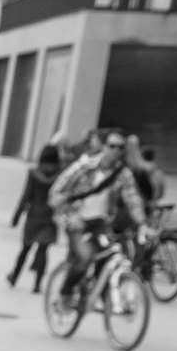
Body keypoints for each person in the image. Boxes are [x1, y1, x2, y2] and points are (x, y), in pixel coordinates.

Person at [48, 128, 146, 303]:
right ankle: (65, 293)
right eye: (112, 146)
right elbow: (55, 193)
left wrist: (142, 223)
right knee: (84, 257)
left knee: (111, 253)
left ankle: (100, 291)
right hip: (76, 220)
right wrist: (70, 215)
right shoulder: (84, 167)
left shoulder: (122, 173)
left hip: (100, 221)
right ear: (103, 147)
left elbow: (133, 199)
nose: (116, 151)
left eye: (120, 147)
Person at [9, 141, 65, 292]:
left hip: (34, 215)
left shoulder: (34, 173)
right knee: (43, 251)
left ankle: (14, 276)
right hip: (50, 217)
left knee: (25, 249)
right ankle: (37, 284)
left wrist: (16, 216)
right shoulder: (61, 175)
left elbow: (26, 195)